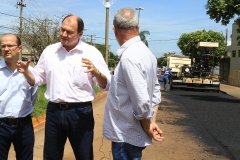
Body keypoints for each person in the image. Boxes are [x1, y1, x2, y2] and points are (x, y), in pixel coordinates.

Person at [17, 14, 111, 160]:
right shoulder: (50, 51)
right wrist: (26, 72)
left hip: (81, 113)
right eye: (62, 30)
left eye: (69, 32)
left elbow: (106, 85)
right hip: (54, 112)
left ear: (80, 34)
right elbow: (38, 79)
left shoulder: (91, 53)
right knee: (51, 156)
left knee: (84, 155)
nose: (64, 34)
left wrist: (97, 72)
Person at [103, 8, 164, 160]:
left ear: (114, 29)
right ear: (138, 27)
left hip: (126, 135)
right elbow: (156, 91)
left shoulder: (129, 57)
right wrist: (152, 119)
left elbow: (142, 102)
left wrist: (147, 124)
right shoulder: (147, 54)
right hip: (130, 135)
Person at [0, 34, 38, 160]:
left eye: (10, 45)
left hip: (24, 125)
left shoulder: (30, 72)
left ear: (19, 48)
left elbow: (33, 98)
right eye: (3, 46)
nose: (6, 49)